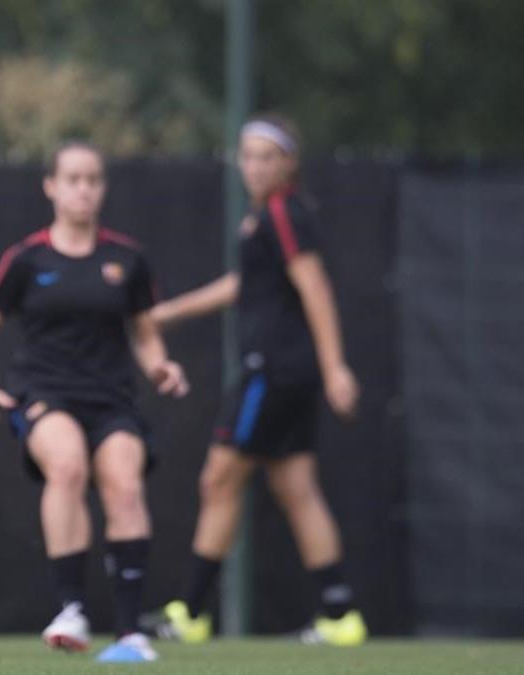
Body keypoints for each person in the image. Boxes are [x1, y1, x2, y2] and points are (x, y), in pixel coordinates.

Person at [0, 141, 189, 663]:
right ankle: (72, 610)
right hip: (45, 393)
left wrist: (161, 364)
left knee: (125, 488)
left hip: (113, 400)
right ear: (51, 186)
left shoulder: (126, 259)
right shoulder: (25, 259)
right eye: (72, 179)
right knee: (67, 467)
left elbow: (146, 332)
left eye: (92, 180)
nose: (83, 189)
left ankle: (131, 632)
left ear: (102, 188)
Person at [146, 114, 368, 646]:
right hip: (289, 374)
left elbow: (315, 289)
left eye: (267, 156)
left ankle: (192, 614)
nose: (255, 166)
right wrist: (170, 312)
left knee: (219, 479)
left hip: (271, 372)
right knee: (296, 488)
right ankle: (341, 615)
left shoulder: (283, 213)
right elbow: (242, 286)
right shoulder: (265, 218)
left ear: (288, 163)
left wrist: (336, 365)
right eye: (247, 155)